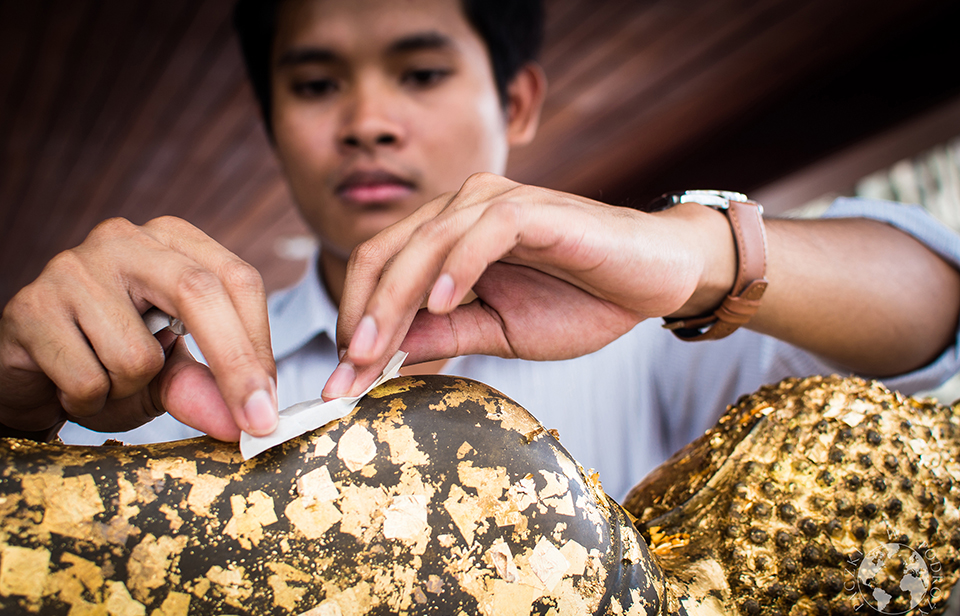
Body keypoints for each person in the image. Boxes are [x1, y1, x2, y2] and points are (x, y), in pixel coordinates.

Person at [2, 0, 960, 503]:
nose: (368, 122)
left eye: (420, 72)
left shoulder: (660, 342)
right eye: (315, 83)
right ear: (272, 119)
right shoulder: (150, 382)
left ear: (517, 103)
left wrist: (689, 255)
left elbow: (936, 309)